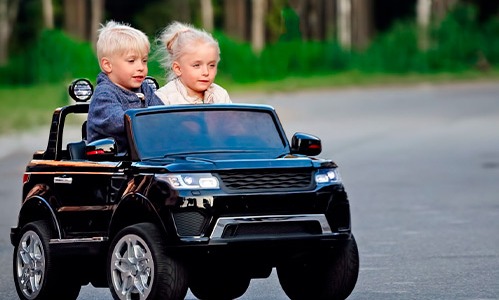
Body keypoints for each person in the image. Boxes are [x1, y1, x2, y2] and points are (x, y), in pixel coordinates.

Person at [87, 20, 164, 154]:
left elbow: (162, 114)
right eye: (131, 61)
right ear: (107, 65)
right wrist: (153, 122)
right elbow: (121, 122)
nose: (141, 67)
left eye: (144, 61)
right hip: (114, 163)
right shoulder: (104, 95)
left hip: (145, 158)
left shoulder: (145, 89)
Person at [154, 21, 231, 104]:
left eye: (211, 65)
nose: (206, 72)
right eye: (197, 65)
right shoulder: (165, 98)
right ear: (178, 68)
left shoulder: (220, 95)